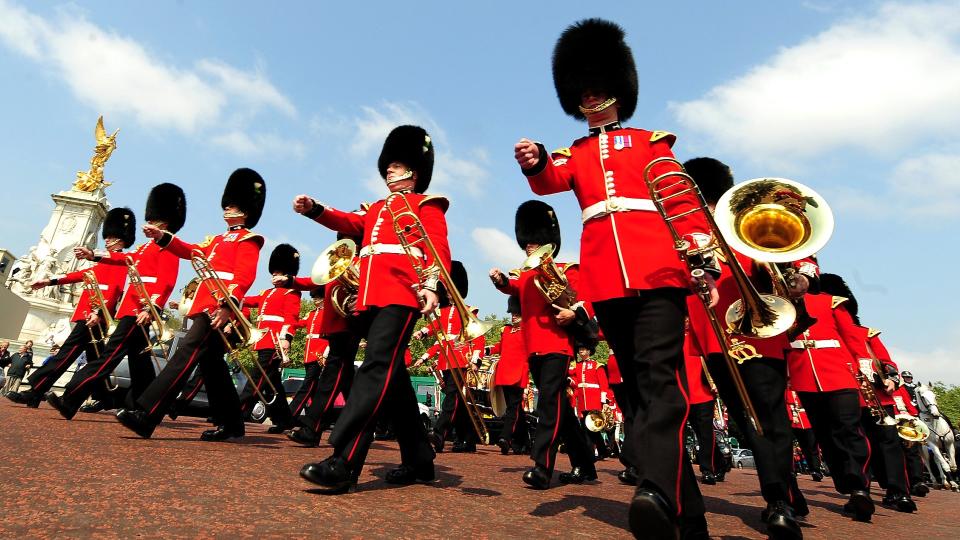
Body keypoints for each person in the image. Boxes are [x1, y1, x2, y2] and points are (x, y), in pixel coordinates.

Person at [514, 18, 718, 538]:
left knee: (659, 380)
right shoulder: (575, 154)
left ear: (619, 91)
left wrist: (700, 256)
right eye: (582, 87)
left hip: (658, 272)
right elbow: (548, 181)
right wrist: (534, 159)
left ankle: (653, 487)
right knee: (642, 394)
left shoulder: (651, 143)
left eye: (600, 85)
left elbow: (681, 202)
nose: (592, 93)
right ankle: (686, 514)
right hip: (606, 281)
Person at [294, 125, 447, 493]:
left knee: (375, 370)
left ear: (414, 170)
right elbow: (349, 224)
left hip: (402, 294)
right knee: (392, 381)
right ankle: (419, 458)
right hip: (370, 296)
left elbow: (438, 247)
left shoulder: (426, 205)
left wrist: (431, 286)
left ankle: (343, 462)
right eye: (389, 165)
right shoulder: (376, 208)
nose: (389, 171)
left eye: (396, 165)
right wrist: (316, 210)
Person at [683, 157, 811, 537]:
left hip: (761, 330)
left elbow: (793, 251)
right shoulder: (683, 229)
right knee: (746, 421)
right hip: (715, 335)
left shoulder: (742, 221)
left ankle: (778, 501)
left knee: (770, 417)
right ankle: (785, 490)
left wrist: (800, 275)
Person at [114, 168, 266, 441]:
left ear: (245, 210)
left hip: (218, 309)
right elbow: (190, 251)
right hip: (205, 306)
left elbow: (245, 277)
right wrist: (164, 237)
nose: (226, 208)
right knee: (213, 368)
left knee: (185, 353)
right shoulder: (217, 240)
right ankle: (232, 424)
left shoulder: (249, 240)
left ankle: (147, 414)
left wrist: (227, 306)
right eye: (227, 204)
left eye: (232, 204)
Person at [46, 183, 185, 420]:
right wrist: (94, 255)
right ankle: (157, 405)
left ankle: (71, 399)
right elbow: (124, 258)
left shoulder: (168, 246)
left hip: (140, 311)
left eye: (152, 221)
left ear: (164, 223)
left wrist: (151, 308)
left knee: (107, 356)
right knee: (140, 363)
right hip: (130, 309)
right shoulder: (145, 248)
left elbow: (167, 282)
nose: (147, 224)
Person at [490, 200, 596, 489]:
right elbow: (513, 287)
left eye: (534, 241)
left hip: (558, 346)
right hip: (533, 348)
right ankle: (585, 465)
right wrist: (500, 281)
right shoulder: (523, 273)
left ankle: (542, 465)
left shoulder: (567, 269)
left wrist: (574, 313)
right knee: (558, 404)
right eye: (527, 241)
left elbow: (587, 299)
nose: (529, 246)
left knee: (548, 403)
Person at [8, 209, 133, 407]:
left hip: (93, 316)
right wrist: (49, 281)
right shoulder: (103, 261)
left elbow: (113, 290)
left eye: (112, 237)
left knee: (66, 354)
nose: (108, 240)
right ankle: (105, 397)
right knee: (96, 359)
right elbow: (81, 275)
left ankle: (35, 390)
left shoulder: (117, 261)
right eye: (107, 237)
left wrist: (98, 312)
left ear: (122, 241)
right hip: (88, 313)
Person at [818, 274, 916, 513]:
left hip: (878, 397)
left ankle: (898, 492)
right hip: (847, 395)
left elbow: (886, 362)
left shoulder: (866, 333)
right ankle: (861, 491)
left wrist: (891, 379)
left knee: (888, 443)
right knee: (855, 444)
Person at [785, 280, 876, 521]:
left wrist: (863, 360)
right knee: (825, 434)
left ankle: (860, 487)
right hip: (803, 374)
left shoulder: (830, 301)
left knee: (849, 429)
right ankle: (847, 486)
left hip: (838, 372)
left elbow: (851, 333)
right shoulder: (781, 303)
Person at [414, 261, 482, 454]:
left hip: (461, 358)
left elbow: (478, 338)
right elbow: (438, 330)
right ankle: (468, 440)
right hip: (446, 359)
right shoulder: (443, 311)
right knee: (457, 401)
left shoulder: (469, 311)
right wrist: (424, 332)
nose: (449, 294)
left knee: (452, 397)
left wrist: (475, 360)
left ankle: (439, 434)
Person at [237, 244, 302, 433]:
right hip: (263, 339)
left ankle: (238, 412)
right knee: (272, 384)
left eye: (279, 273)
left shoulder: (292, 292)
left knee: (257, 378)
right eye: (273, 274)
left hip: (274, 341)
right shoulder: (265, 293)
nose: (275, 277)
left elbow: (292, 318)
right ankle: (285, 420)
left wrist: (286, 338)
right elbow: (245, 300)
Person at [487, 296, 530, 455]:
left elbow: (529, 355)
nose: (513, 315)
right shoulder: (506, 330)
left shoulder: (528, 330)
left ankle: (506, 437)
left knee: (513, 408)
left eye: (517, 313)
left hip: (518, 373)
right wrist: (489, 350)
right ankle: (524, 442)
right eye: (512, 313)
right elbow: (501, 347)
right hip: (504, 373)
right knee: (517, 408)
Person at [683, 323, 722, 485]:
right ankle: (720, 462)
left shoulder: (700, 333)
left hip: (703, 390)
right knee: (696, 431)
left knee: (704, 431)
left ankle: (707, 469)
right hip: (683, 392)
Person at [287, 286, 329, 419]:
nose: (315, 300)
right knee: (314, 389)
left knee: (307, 386)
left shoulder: (327, 313)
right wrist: (286, 321)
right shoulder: (312, 313)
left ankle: (290, 416)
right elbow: (299, 323)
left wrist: (325, 353)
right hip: (308, 353)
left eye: (318, 298)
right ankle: (317, 417)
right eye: (314, 298)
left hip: (319, 352)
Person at [568, 341, 614, 460]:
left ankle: (592, 453)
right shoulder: (576, 365)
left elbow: (603, 384)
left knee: (592, 428)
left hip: (594, 399)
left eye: (584, 349)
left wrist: (603, 401)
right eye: (580, 349)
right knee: (586, 427)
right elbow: (575, 381)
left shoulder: (596, 365)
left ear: (589, 351)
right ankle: (601, 450)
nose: (581, 351)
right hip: (582, 401)